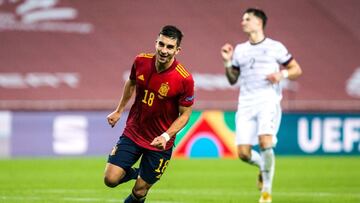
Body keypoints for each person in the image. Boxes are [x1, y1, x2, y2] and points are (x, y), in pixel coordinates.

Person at [104, 25, 194, 203]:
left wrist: (166, 136)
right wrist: (119, 110)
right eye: (161, 44)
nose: (164, 50)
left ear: (178, 50)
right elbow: (131, 83)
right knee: (110, 179)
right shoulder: (140, 61)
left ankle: (142, 180)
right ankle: (139, 173)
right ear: (156, 43)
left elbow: (185, 115)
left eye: (169, 47)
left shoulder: (184, 79)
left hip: (159, 142)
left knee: (139, 191)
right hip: (134, 132)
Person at [221, 8, 302, 203]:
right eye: (243, 19)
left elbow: (296, 69)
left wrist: (280, 75)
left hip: (268, 100)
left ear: (259, 22)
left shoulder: (275, 47)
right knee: (243, 153)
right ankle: (262, 167)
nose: (243, 22)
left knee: (265, 141)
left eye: (247, 19)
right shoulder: (240, 49)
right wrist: (227, 62)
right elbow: (233, 80)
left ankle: (266, 192)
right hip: (246, 103)